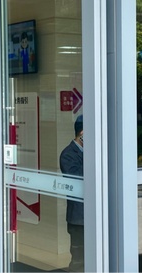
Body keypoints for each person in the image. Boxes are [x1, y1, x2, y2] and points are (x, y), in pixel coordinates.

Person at [59, 115, 84, 272]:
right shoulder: (68, 154)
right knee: (79, 261)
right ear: (82, 134)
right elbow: (78, 179)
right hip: (79, 217)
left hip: (94, 215)